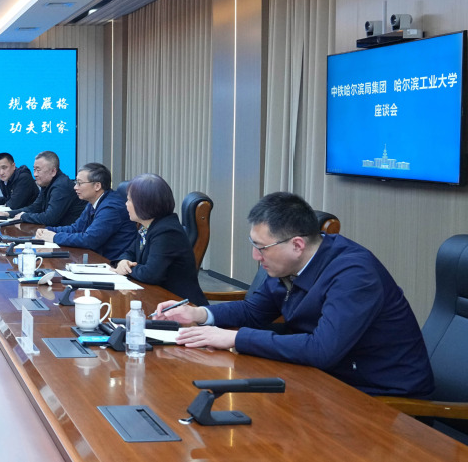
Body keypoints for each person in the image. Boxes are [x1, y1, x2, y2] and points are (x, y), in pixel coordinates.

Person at [156, 192, 433, 397]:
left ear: (297, 245)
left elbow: (322, 350)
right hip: (325, 379)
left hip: (381, 395)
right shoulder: (289, 264)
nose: (255, 256)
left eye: (261, 247)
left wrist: (235, 338)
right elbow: (253, 311)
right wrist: (198, 313)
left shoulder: (354, 274)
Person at [110, 173, 207, 305]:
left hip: (180, 305)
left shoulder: (167, 231)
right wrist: (123, 262)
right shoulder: (147, 226)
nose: (126, 204)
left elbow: (150, 274)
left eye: (129, 200)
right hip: (156, 298)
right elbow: (129, 252)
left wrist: (127, 269)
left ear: (144, 204)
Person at [35, 162, 135, 259]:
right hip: (95, 257)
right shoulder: (93, 202)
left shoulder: (111, 208)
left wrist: (54, 237)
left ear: (97, 186)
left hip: (112, 263)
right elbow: (76, 228)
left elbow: (89, 240)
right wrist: (48, 230)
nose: (75, 187)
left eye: (80, 183)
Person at [1, 151, 85, 226]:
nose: (35, 174)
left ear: (53, 171)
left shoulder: (62, 186)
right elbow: (35, 208)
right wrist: (8, 214)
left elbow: (50, 218)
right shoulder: (47, 183)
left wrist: (24, 216)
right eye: (34, 169)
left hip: (70, 234)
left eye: (38, 170)